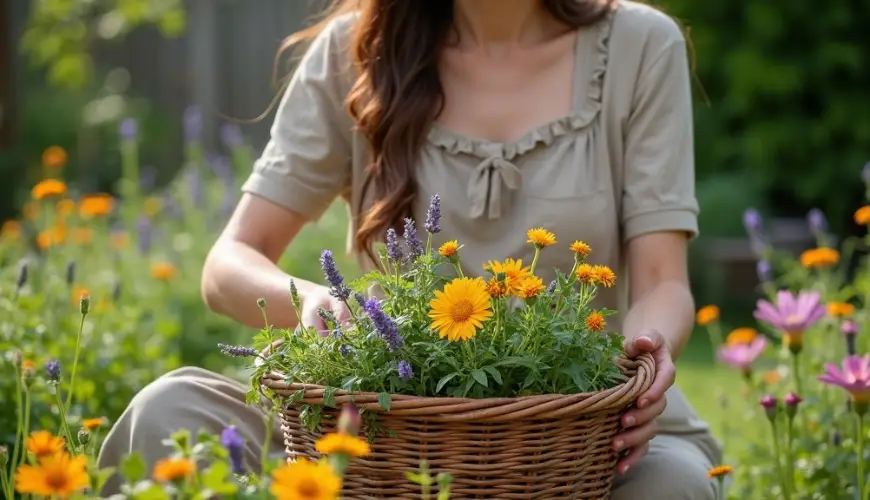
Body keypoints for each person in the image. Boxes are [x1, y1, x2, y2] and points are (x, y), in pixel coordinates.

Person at [98, 0, 723, 497]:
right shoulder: (355, 55)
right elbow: (229, 262)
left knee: (670, 486)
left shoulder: (641, 46)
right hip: (382, 424)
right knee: (168, 412)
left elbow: (663, 279)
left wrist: (642, 362)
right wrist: (315, 303)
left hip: (580, 432)